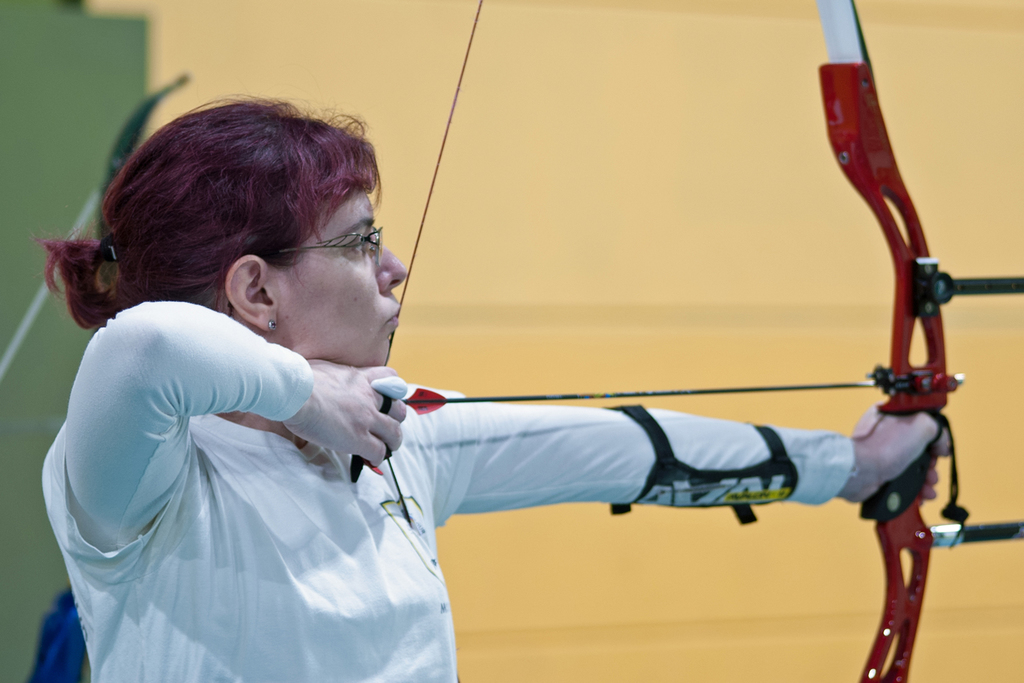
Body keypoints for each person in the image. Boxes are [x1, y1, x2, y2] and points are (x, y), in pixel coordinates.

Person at [39, 100, 945, 683]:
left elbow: (628, 449)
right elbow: (143, 348)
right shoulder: (147, 479)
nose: (394, 266)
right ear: (256, 291)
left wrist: (852, 464)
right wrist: (308, 399)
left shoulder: (399, 432)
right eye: (360, 240)